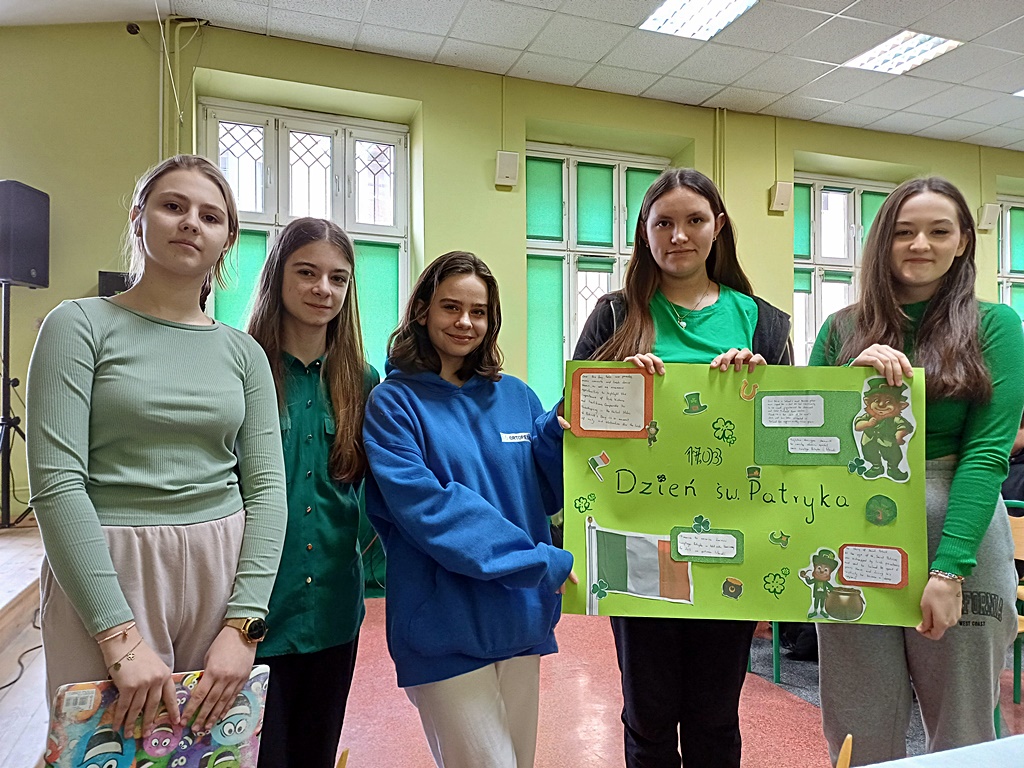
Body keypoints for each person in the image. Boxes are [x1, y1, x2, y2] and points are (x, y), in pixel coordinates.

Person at [26, 155, 287, 738]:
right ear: (138, 218)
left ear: (227, 240)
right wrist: (117, 636)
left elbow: (269, 489)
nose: (191, 222)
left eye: (210, 216)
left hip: (221, 566)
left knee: (204, 747)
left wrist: (244, 625)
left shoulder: (244, 353)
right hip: (107, 564)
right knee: (107, 748)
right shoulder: (77, 325)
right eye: (173, 206)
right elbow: (57, 484)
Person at [573, 168, 792, 768]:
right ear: (644, 233)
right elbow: (573, 419)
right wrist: (617, 386)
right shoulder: (615, 316)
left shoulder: (763, 322)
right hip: (638, 542)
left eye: (694, 220)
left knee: (715, 715)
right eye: (663, 222)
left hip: (732, 543)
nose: (678, 235)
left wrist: (760, 389)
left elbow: (788, 445)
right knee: (647, 715)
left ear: (717, 227)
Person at [808, 177, 1024, 765]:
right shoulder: (841, 328)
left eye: (938, 231)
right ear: (883, 241)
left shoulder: (995, 325)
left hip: (959, 532)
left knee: (963, 728)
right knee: (857, 722)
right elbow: (809, 448)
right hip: (854, 531)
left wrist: (950, 569)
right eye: (904, 231)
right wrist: (850, 382)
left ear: (963, 242)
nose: (920, 244)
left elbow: (987, 454)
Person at [362, 251, 575, 768]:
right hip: (444, 627)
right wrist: (536, 561)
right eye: (450, 307)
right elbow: (431, 510)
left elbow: (542, 494)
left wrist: (563, 428)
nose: (464, 322)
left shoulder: (516, 396)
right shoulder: (393, 404)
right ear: (422, 311)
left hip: (520, 618)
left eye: (478, 312)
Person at [247, 218, 378, 768]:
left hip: (332, 610)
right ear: (277, 276)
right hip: (252, 612)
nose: (323, 289)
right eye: (307, 273)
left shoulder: (361, 381)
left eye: (337, 278)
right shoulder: (242, 367)